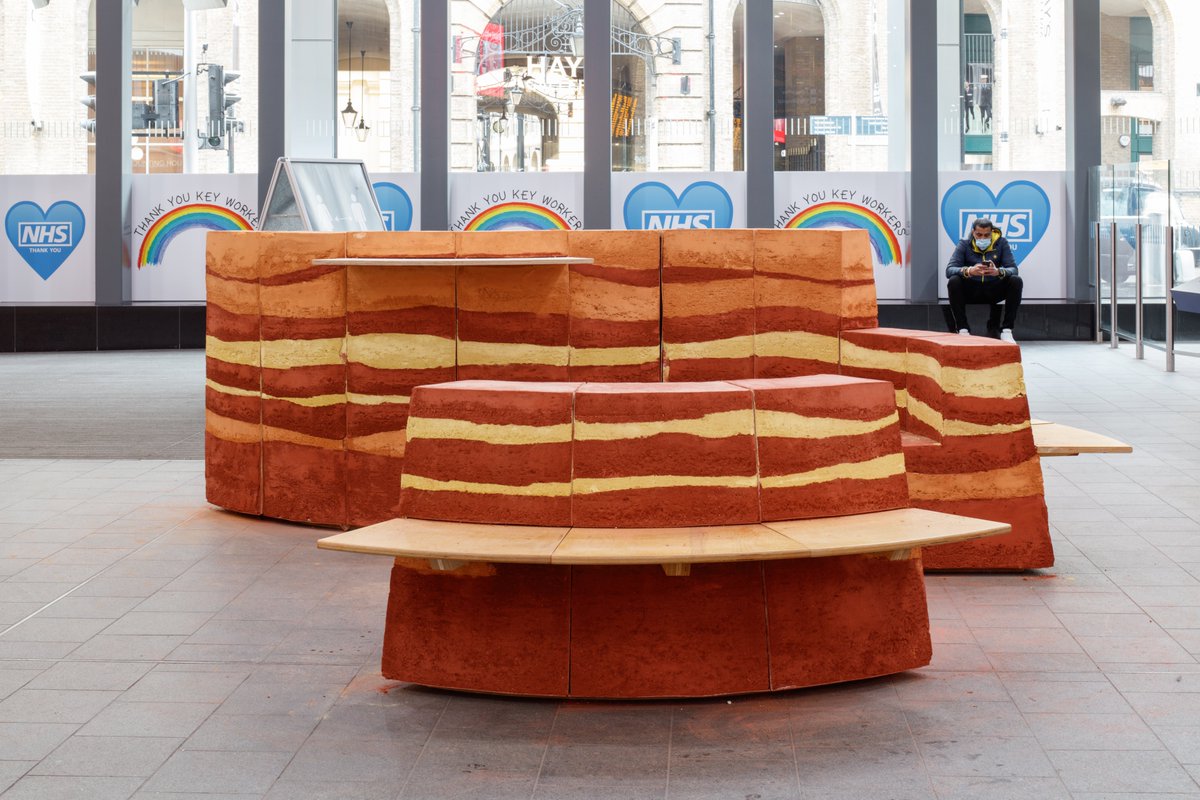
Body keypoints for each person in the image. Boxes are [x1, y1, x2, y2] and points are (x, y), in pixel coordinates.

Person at [945, 218, 1023, 343]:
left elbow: (1013, 269)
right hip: (971, 290)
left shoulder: (1001, 243)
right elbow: (949, 270)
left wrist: (998, 271)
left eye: (987, 235)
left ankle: (1007, 331)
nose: (982, 238)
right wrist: (969, 271)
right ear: (973, 232)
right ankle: (963, 330)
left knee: (1016, 280)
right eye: (979, 234)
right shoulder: (964, 244)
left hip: (994, 290)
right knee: (954, 281)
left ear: (992, 232)